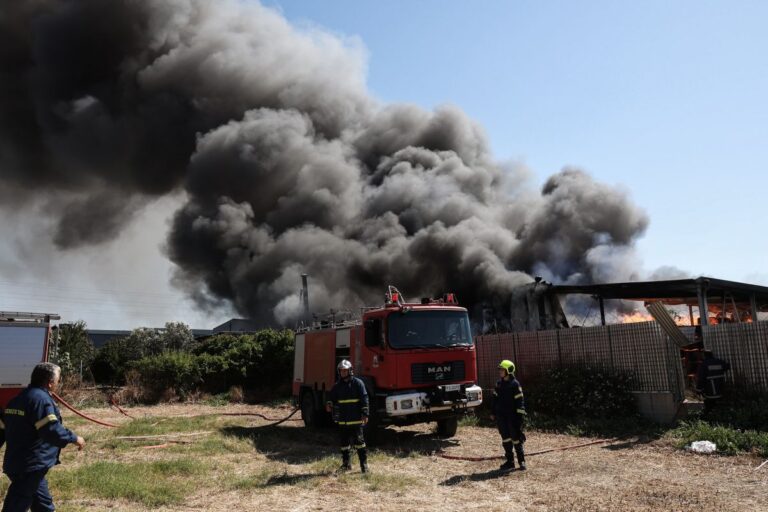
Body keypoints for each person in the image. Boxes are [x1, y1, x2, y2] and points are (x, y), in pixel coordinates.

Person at [1, 362, 85, 512]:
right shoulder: (41, 400)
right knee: (16, 506)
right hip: (30, 466)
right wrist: (74, 438)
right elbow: (51, 430)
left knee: (43, 506)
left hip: (17, 462)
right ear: (50, 383)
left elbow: (3, 430)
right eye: (58, 380)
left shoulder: (17, 399)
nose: (59, 384)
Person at [325, 360, 370, 473]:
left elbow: (365, 399)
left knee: (360, 443)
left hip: (355, 420)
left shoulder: (358, 383)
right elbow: (332, 397)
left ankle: (364, 466)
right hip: (343, 421)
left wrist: (365, 414)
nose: (343, 373)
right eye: (341, 371)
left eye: (345, 370)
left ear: (350, 371)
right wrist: (329, 403)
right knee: (344, 444)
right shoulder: (337, 386)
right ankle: (346, 465)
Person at [490, 359, 526, 472]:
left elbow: (520, 401)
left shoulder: (515, 385)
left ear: (508, 371)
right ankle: (510, 462)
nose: (500, 371)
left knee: (516, 438)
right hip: (502, 417)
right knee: (505, 439)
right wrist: (493, 412)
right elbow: (494, 399)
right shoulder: (499, 384)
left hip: (513, 417)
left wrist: (519, 418)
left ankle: (521, 461)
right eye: (500, 369)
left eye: (502, 369)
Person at [696, 351, 730, 416]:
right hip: (720, 387)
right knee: (719, 406)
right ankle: (721, 416)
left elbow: (701, 379)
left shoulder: (704, 364)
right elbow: (727, 367)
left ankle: (710, 417)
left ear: (704, 356)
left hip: (710, 389)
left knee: (710, 406)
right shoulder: (719, 361)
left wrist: (698, 390)